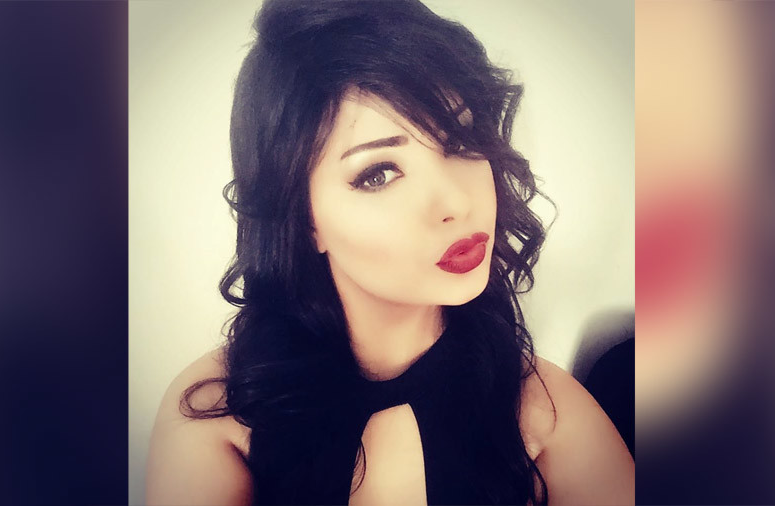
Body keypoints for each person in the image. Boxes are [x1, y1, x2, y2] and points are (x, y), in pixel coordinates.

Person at [145, 0, 633, 504]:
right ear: (305, 220)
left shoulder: (548, 415)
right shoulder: (218, 415)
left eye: (461, 141)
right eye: (378, 173)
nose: (456, 203)